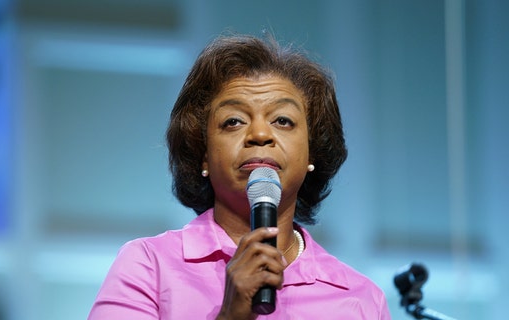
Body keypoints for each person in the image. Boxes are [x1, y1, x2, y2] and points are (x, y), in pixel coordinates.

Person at [88, 33, 391, 319]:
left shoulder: (360, 299)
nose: (260, 134)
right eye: (233, 122)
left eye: (283, 121)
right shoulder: (149, 266)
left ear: (312, 153)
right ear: (203, 154)